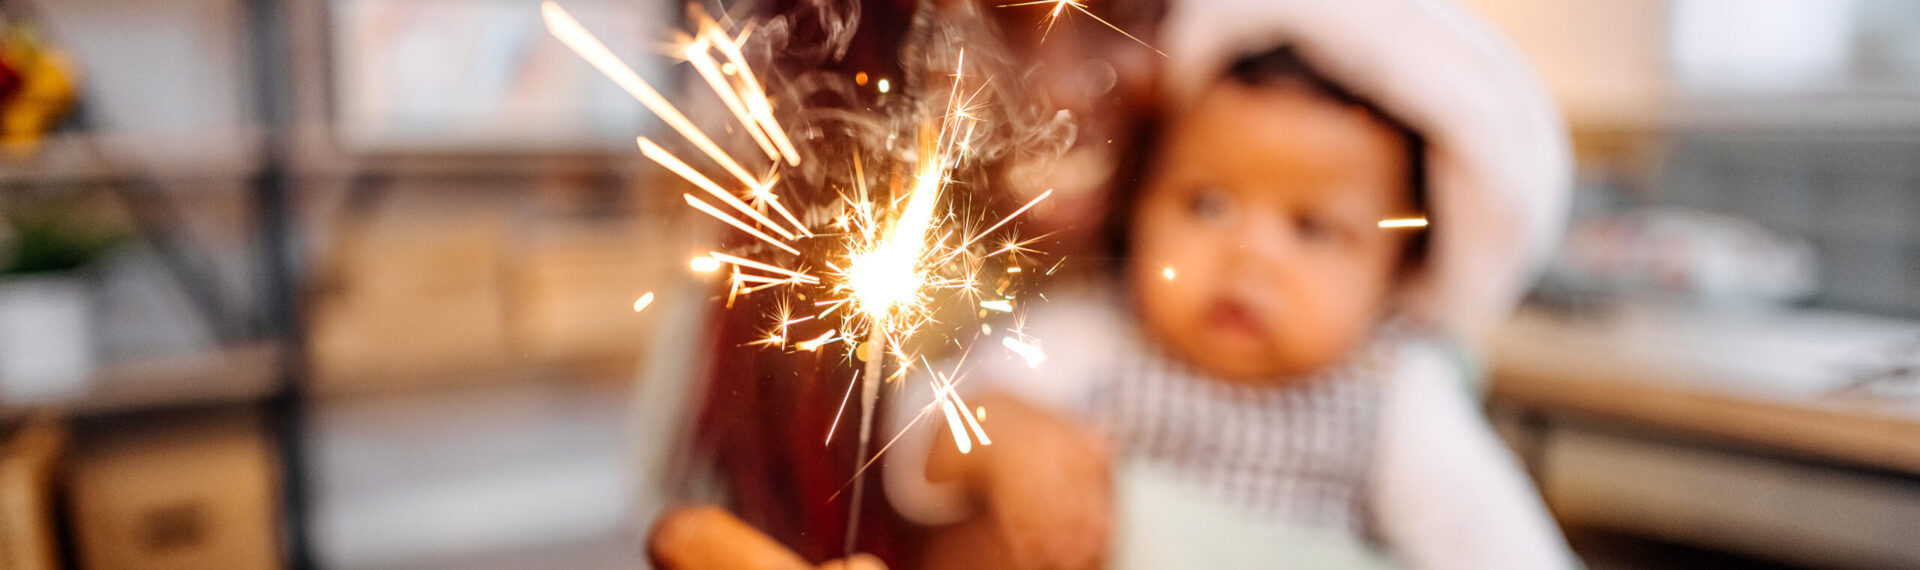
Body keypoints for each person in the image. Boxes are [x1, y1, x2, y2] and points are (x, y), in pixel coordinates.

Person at [881, 0, 1577, 567]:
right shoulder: (1094, 338)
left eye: (1313, 228)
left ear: (1396, 273)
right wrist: (1001, 432)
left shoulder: (1398, 403)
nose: (1249, 256)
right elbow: (914, 433)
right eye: (1207, 204)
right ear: (1142, 203)